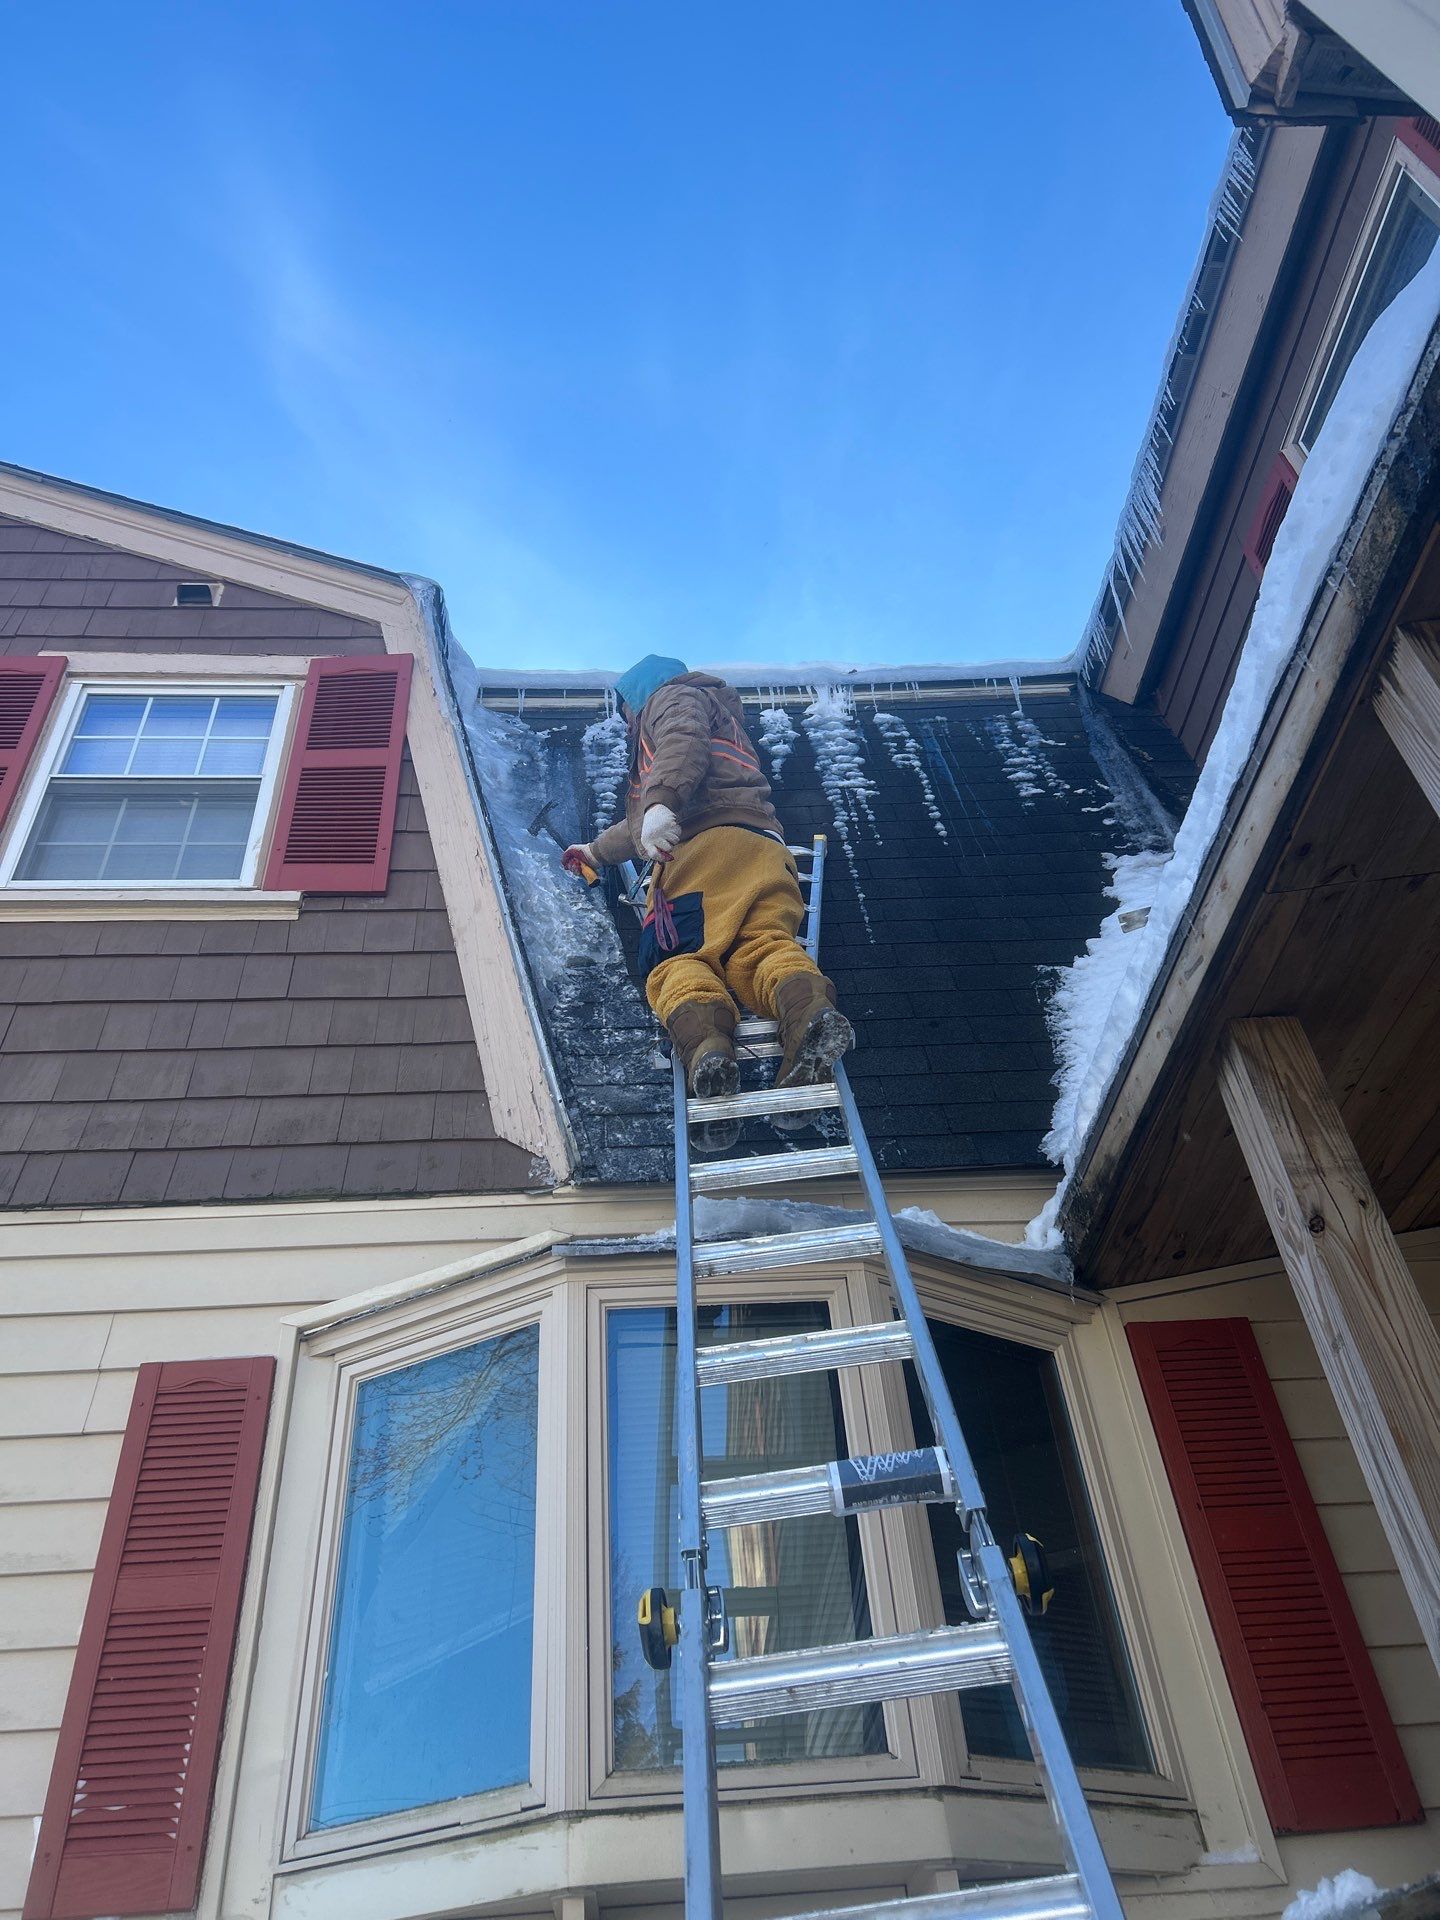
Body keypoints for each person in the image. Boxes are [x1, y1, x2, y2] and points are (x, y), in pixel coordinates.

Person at [563, 654, 853, 1146]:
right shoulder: (726, 718)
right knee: (760, 946)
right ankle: (808, 1014)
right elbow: (637, 828)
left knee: (679, 961)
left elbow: (680, 746)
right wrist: (594, 851)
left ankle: (708, 1047)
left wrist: (659, 804)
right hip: (762, 848)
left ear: (638, 695)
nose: (630, 721)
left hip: (699, 856)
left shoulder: (671, 698)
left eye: (627, 711)